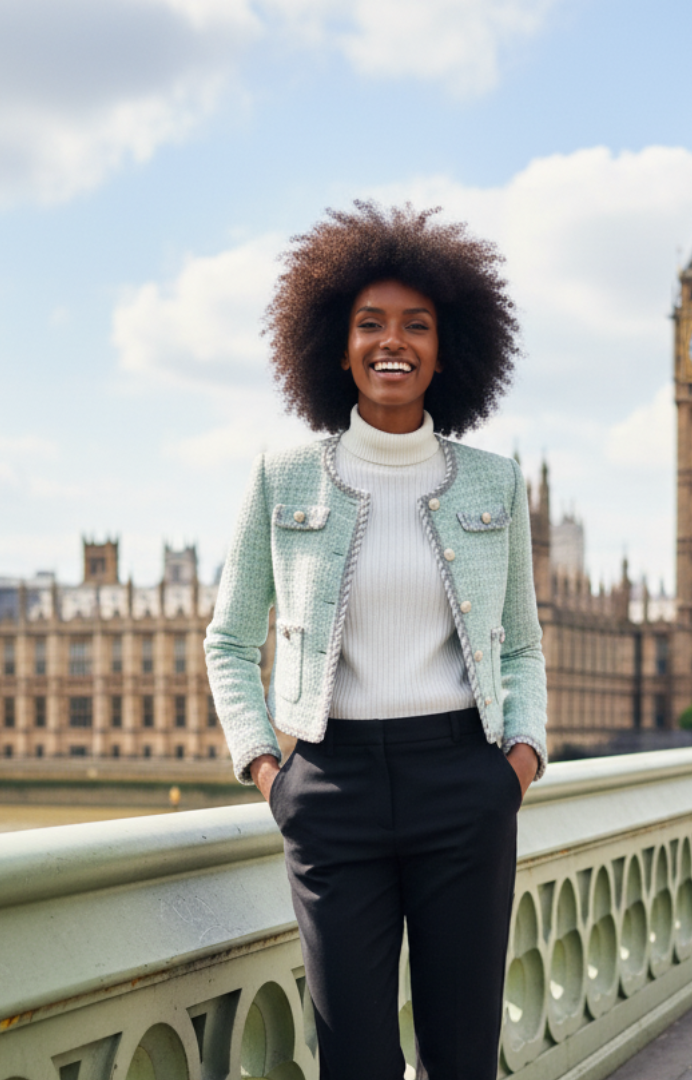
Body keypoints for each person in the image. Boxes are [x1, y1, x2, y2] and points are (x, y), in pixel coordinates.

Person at [205, 201, 546, 1080]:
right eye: (370, 323)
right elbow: (230, 640)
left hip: (462, 781)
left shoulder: (496, 483)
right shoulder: (282, 477)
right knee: (354, 1058)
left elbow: (520, 646)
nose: (392, 341)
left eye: (416, 324)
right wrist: (268, 773)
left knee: (462, 1056)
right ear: (337, 342)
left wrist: (519, 764)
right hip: (331, 787)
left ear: (448, 347)